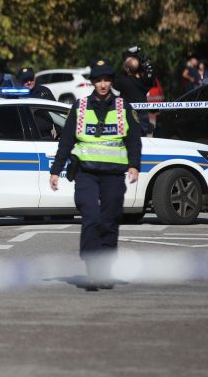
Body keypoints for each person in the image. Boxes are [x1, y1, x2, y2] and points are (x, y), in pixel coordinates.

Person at [49, 58, 142, 291]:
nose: (102, 84)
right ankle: (92, 269)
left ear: (111, 82)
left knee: (109, 220)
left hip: (113, 174)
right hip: (86, 173)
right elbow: (66, 141)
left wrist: (134, 165)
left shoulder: (123, 107)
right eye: (99, 80)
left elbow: (133, 140)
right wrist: (55, 170)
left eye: (106, 80)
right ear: (92, 82)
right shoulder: (80, 107)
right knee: (91, 217)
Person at [114, 51, 153, 136]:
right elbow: (150, 80)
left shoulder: (123, 81)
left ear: (127, 69)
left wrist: (124, 71)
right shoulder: (143, 81)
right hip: (143, 114)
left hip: (129, 114)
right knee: (143, 138)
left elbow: (115, 83)